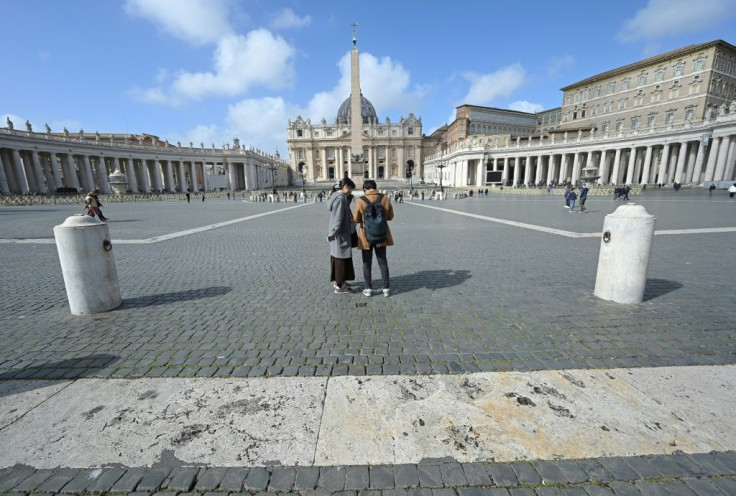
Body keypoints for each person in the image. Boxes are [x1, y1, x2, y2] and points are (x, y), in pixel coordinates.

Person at [354, 179, 394, 297]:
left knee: (367, 263)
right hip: (382, 235)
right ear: (375, 187)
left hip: (366, 236)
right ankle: (386, 288)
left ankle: (368, 288)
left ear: (364, 189)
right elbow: (390, 216)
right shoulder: (384, 198)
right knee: (382, 261)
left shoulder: (361, 200)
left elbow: (356, 219)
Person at [327, 177, 356, 294]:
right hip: (340, 233)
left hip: (338, 232)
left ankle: (340, 281)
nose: (351, 192)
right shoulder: (340, 200)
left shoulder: (336, 198)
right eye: (350, 189)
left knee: (339, 256)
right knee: (340, 258)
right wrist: (334, 232)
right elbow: (339, 218)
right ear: (346, 187)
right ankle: (339, 286)